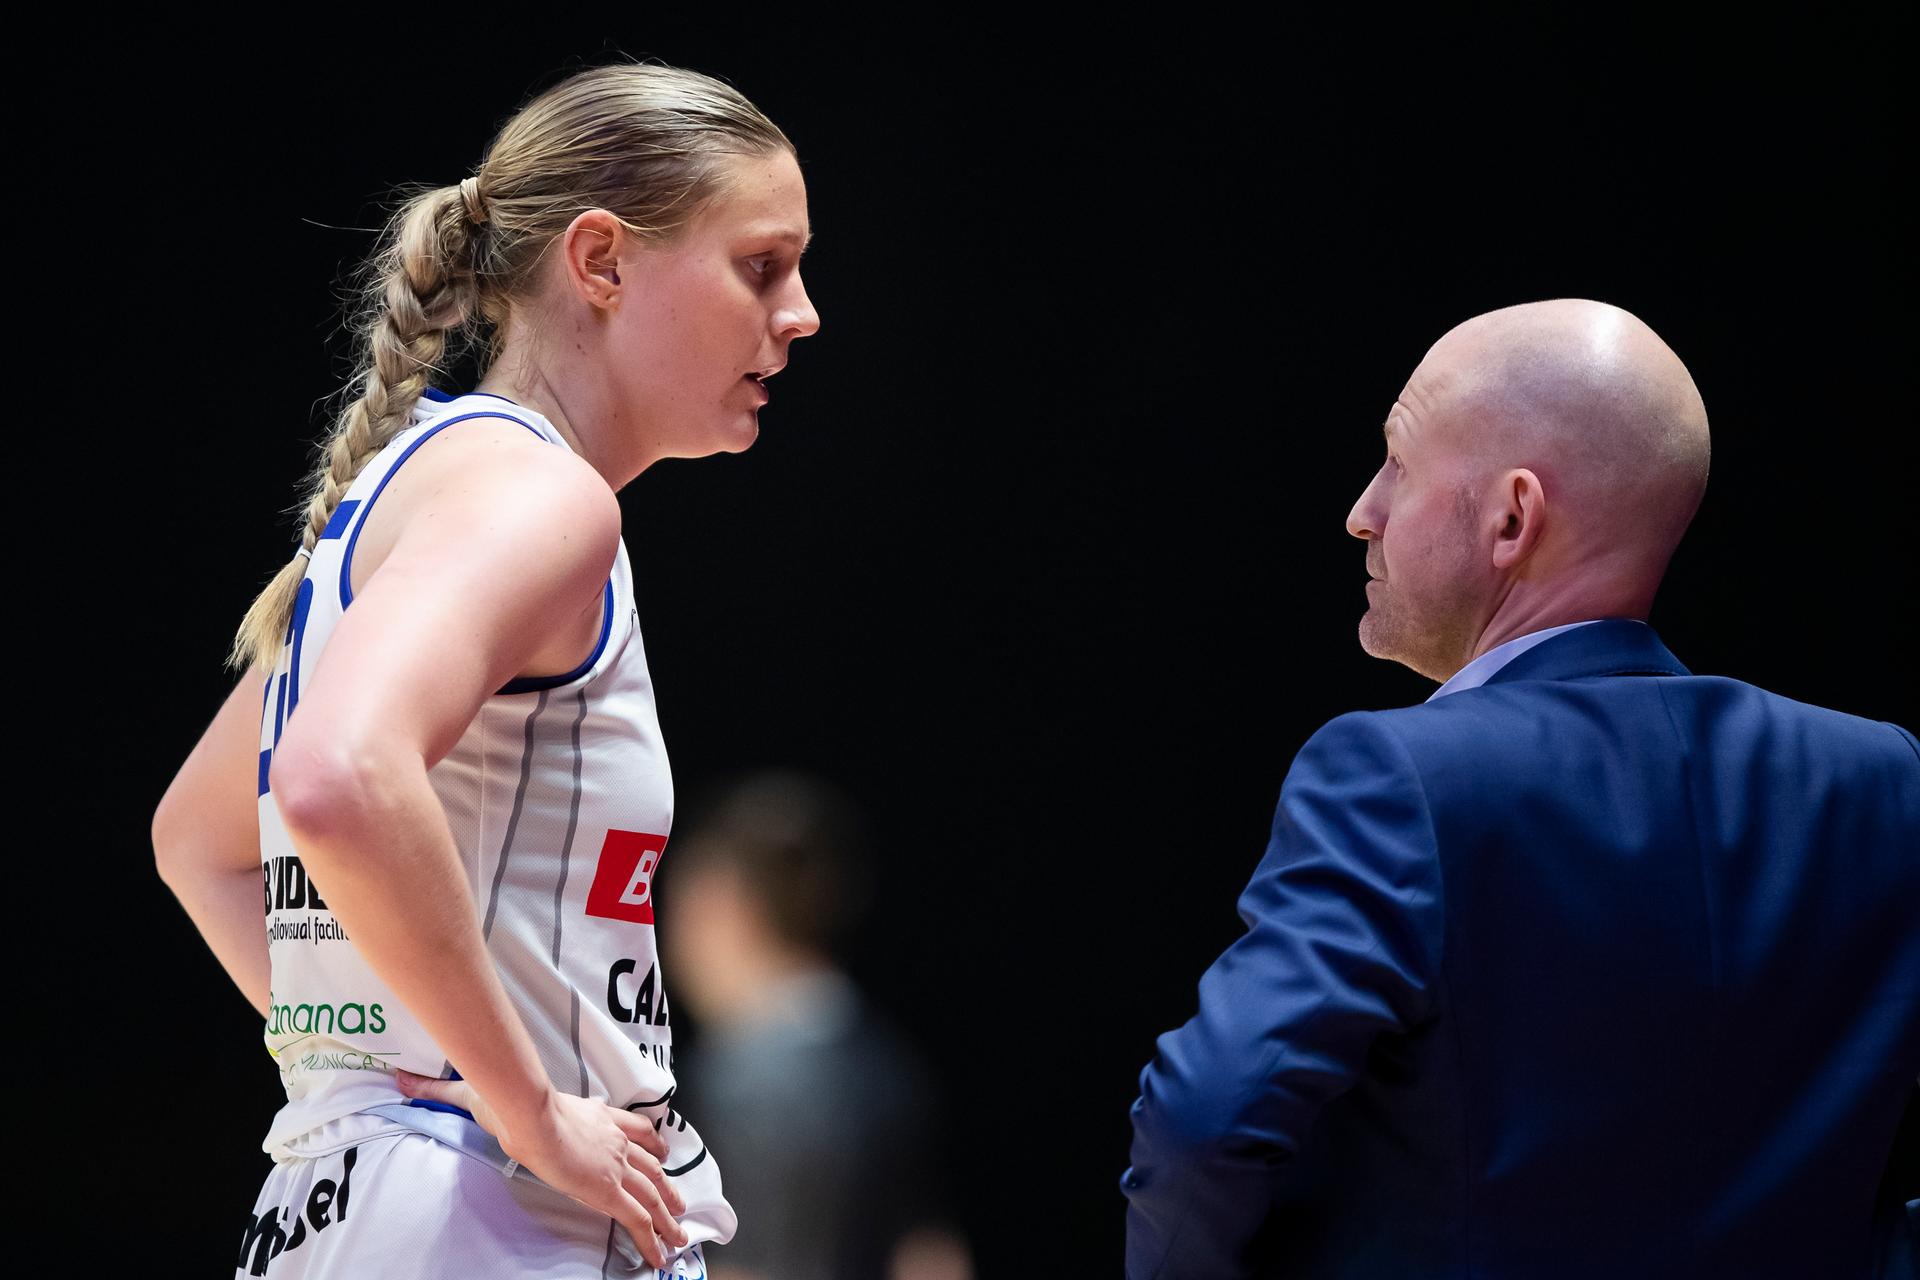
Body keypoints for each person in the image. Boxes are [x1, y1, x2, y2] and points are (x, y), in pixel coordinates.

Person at [150, 61, 819, 1279]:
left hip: (351, 1205)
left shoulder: (417, 485)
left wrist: (390, 1068)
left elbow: (197, 837)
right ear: (603, 261)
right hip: (481, 1217)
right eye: (762, 265)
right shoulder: (538, 496)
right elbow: (337, 775)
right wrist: (521, 1102)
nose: (803, 310)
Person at [1121, 299, 1920, 1278]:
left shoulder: (1399, 775)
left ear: (1512, 517)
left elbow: (1208, 1114)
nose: (1361, 510)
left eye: (1398, 464)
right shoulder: (1886, 784)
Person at [661, 771, 974, 1280]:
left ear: (718, 902)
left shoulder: (738, 1075)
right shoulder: (890, 1063)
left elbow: (741, 1270)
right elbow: (933, 1259)